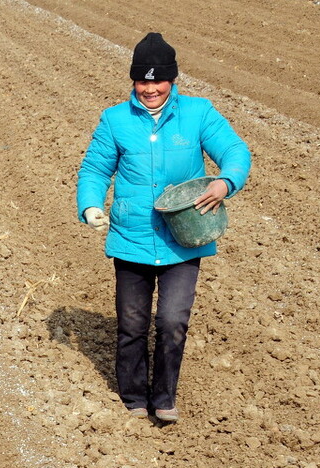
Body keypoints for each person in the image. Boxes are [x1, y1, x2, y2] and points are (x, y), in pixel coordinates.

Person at [76, 32, 250, 423]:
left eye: (158, 80)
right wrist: (89, 205)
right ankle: (134, 397)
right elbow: (94, 169)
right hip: (131, 237)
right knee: (132, 324)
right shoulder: (115, 119)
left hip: (183, 237)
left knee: (173, 321)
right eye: (143, 80)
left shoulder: (199, 113)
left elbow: (235, 151)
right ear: (134, 81)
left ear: (172, 80)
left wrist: (226, 182)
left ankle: (164, 397)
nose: (150, 88)